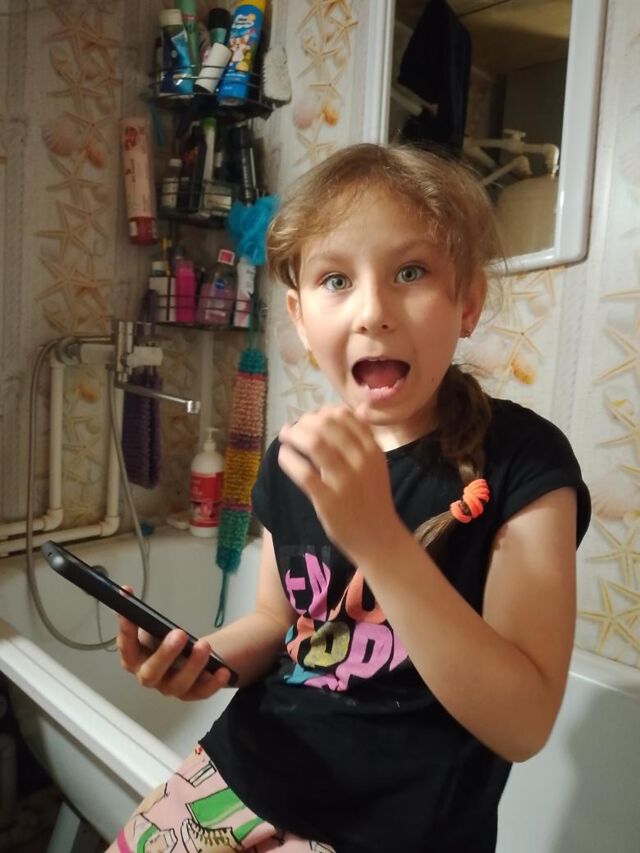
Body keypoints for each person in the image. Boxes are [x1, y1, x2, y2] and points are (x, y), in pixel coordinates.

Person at [109, 143, 591, 853]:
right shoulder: (295, 456)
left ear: (467, 301)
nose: (373, 311)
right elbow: (278, 623)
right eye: (336, 279)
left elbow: (522, 724)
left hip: (394, 830)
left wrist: (380, 540)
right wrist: (204, 660)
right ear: (301, 318)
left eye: (410, 272)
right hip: (242, 770)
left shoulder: (525, 462)